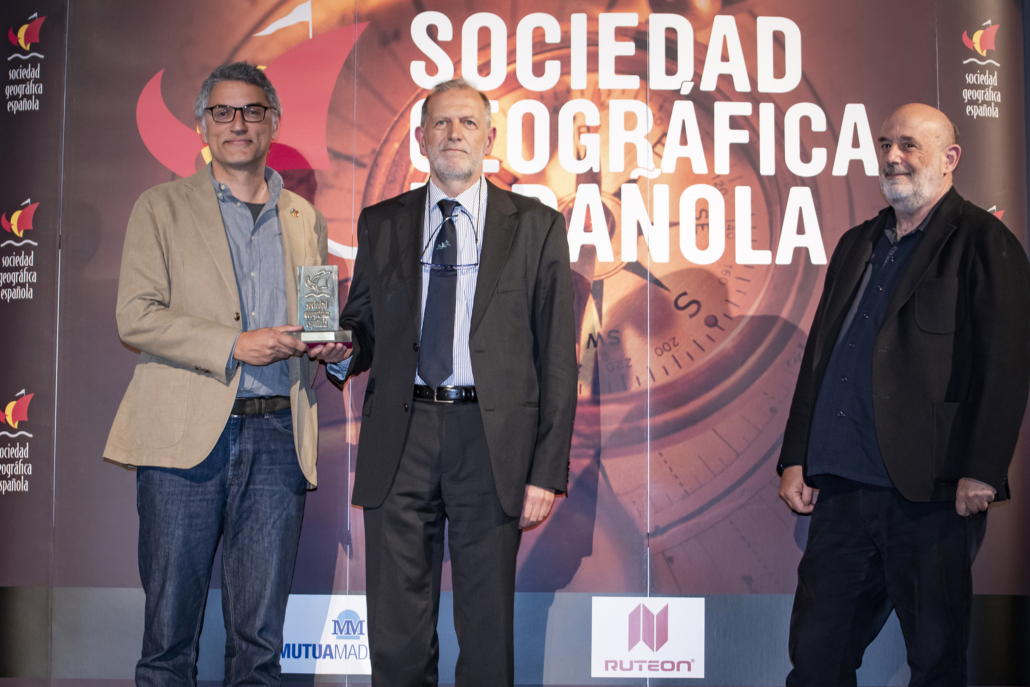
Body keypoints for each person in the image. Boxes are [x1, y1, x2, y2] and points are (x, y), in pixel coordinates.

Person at [103, 62, 348, 686]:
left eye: (252, 111)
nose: (238, 123)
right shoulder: (160, 207)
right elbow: (136, 316)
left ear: (274, 122)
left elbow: (318, 319)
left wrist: (327, 347)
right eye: (223, 111)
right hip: (183, 439)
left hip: (278, 441)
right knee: (168, 639)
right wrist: (233, 345)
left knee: (260, 644)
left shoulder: (305, 217)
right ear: (202, 125)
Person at [326, 78, 577, 686]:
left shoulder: (537, 225)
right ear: (421, 139)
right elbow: (363, 326)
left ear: (489, 138)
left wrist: (545, 471)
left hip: (490, 441)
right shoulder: (382, 222)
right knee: (395, 632)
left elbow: (556, 357)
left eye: (467, 123)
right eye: (441, 123)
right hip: (401, 435)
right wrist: (338, 349)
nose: (454, 134)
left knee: (486, 628)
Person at [778, 103, 1030, 685]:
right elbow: (820, 357)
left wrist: (982, 469)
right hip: (841, 490)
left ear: (950, 158)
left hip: (931, 494)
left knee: (936, 661)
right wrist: (796, 456)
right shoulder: (856, 243)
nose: (894, 156)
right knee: (815, 659)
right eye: (886, 144)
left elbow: (1006, 364)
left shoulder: (984, 241)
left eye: (910, 145)